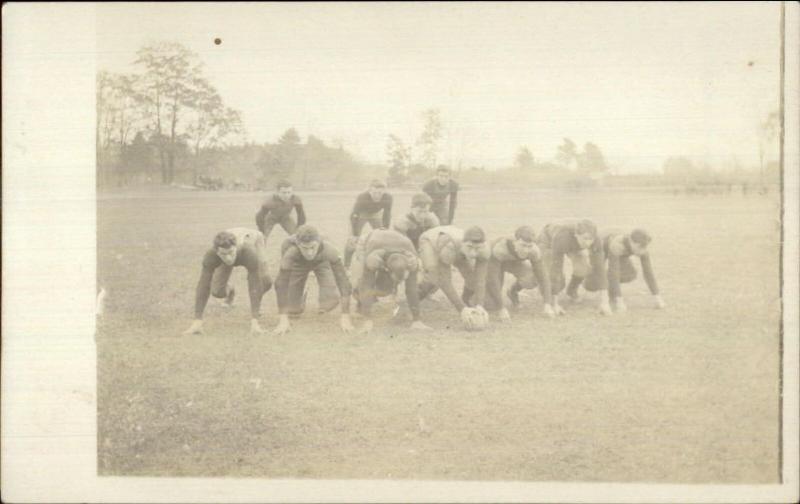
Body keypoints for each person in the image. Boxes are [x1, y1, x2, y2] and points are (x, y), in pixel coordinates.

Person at [183, 228, 272, 335]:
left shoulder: (248, 252)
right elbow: (203, 284)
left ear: (236, 247)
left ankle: (257, 311)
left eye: (230, 252)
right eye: (223, 254)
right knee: (217, 291)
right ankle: (231, 291)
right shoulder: (211, 255)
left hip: (255, 240)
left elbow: (254, 281)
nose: (228, 258)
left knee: (265, 281)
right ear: (216, 251)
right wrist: (197, 321)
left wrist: (255, 322)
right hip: (233, 246)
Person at [272, 225, 354, 335]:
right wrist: (283, 319)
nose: (309, 252)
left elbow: (344, 282)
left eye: (313, 247)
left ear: (319, 242)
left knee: (330, 303)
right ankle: (300, 293)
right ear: (298, 244)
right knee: (293, 310)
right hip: (299, 263)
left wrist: (345, 317)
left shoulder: (328, 249)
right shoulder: (289, 248)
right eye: (305, 248)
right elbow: (281, 283)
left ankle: (327, 295)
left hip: (321, 262)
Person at [350, 228, 431, 333]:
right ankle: (360, 306)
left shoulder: (411, 259)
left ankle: (376, 296)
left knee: (386, 289)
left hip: (396, 243)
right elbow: (366, 285)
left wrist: (417, 320)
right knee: (359, 281)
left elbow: (412, 289)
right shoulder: (374, 257)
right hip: (369, 242)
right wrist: (367, 320)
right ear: (387, 269)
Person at [417, 225, 491, 325]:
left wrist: (480, 305)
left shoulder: (485, 250)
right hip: (431, 241)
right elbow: (445, 281)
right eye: (470, 247)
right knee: (433, 277)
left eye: (477, 248)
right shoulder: (449, 247)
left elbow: (480, 280)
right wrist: (461, 309)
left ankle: (466, 300)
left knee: (472, 280)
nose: (473, 253)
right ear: (463, 244)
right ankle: (414, 299)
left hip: (459, 249)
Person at [537, 219, 611, 315]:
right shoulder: (562, 238)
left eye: (591, 239)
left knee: (583, 269)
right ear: (576, 235)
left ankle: (571, 290)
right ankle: (549, 299)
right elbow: (556, 269)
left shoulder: (596, 240)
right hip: (548, 241)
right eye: (585, 238)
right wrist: (555, 304)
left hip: (572, 243)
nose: (588, 243)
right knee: (555, 278)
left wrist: (605, 302)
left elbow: (600, 269)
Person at [485, 225, 555, 321]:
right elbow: (492, 279)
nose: (526, 250)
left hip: (514, 262)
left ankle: (512, 291)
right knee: (489, 304)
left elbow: (543, 277)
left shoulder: (534, 250)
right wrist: (501, 308)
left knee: (531, 279)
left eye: (529, 246)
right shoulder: (499, 248)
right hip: (495, 262)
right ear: (515, 242)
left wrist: (547, 304)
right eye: (523, 245)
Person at [586, 228, 665, 312]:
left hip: (620, 252)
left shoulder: (641, 247)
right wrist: (620, 301)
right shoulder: (617, 245)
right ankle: (577, 287)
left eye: (644, 246)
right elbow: (614, 273)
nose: (641, 250)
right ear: (631, 241)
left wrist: (657, 297)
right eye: (639, 247)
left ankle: (611, 291)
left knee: (630, 274)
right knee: (591, 285)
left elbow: (648, 272)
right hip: (601, 247)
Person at [344, 179, 393, 267]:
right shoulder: (362, 197)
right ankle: (346, 266)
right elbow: (355, 214)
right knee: (352, 241)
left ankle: (382, 262)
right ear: (370, 190)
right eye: (375, 193)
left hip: (375, 214)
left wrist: (385, 228)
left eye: (380, 193)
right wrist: (354, 234)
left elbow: (387, 214)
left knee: (383, 238)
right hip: (360, 214)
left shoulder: (388, 197)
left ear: (384, 192)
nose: (377, 196)